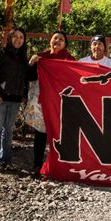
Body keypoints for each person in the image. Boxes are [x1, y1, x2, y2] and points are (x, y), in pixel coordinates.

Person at [27, 31, 76, 176]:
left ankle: (58, 166)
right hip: (42, 101)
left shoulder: (70, 60)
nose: (57, 41)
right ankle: (37, 165)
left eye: (61, 39)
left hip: (61, 102)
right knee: (41, 134)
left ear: (65, 44)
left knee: (59, 135)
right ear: (50, 41)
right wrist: (31, 64)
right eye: (55, 38)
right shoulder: (41, 57)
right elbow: (30, 76)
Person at [0, 28, 28, 169]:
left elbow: (26, 78)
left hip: (15, 100)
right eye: (15, 36)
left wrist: (24, 94)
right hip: (0, 99)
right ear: (10, 38)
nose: (18, 39)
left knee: (8, 130)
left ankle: (6, 160)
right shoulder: (1, 53)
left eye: (21, 37)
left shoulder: (23, 58)